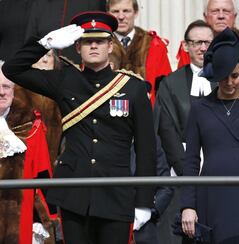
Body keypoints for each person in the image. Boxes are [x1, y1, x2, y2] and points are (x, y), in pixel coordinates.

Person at [2, 11, 157, 244]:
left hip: (116, 193)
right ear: (77, 48)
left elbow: (146, 149)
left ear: (111, 46)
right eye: (87, 41)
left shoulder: (132, 88)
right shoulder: (65, 81)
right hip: (74, 194)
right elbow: (12, 69)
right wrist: (45, 43)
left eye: (100, 41)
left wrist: (144, 201)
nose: (93, 46)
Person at [181, 28, 239, 244]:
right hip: (211, 194)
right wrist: (188, 205)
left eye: (235, 75)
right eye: (223, 77)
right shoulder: (200, 108)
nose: (230, 83)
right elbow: (191, 160)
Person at [153, 19, 215, 244]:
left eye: (208, 42)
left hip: (219, 171)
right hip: (181, 173)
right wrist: (187, 171)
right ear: (186, 46)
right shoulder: (170, 83)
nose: (203, 48)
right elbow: (166, 129)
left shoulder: (227, 80)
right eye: (197, 42)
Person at [0, 61, 55, 244]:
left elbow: (43, 175)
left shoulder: (31, 126)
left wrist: (40, 220)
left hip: (20, 215)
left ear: (14, 90)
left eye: (6, 86)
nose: (1, 92)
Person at [176, 0, 239, 96]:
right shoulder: (193, 46)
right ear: (205, 17)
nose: (221, 16)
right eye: (215, 11)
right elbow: (182, 85)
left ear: (234, 16)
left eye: (226, 11)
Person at [107, 0, 172, 105]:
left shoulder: (154, 44)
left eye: (126, 11)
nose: (121, 16)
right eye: (115, 11)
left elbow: (166, 88)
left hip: (146, 113)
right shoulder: (99, 44)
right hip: (110, 115)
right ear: (108, 14)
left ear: (136, 12)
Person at [24, 0, 106, 63]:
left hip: (79, 71)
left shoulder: (94, 2)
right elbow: (30, 39)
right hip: (44, 71)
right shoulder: (40, 3)